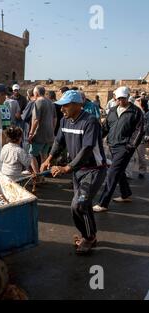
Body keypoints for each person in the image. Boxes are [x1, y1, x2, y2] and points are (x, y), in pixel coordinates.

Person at [41, 90, 107, 255]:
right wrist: (49, 158)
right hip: (78, 171)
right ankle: (90, 234)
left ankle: (88, 238)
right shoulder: (65, 121)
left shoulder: (90, 121)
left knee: (77, 205)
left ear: (78, 105)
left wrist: (67, 168)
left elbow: (87, 149)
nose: (62, 109)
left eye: (66, 106)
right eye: (61, 106)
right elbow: (59, 141)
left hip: (94, 170)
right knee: (84, 205)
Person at [93, 87, 145, 213]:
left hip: (125, 147)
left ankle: (103, 203)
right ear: (115, 98)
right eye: (119, 98)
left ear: (128, 97)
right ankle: (125, 194)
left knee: (112, 173)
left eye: (123, 98)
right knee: (119, 171)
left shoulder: (136, 111)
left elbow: (139, 131)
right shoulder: (112, 110)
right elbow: (105, 127)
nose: (121, 101)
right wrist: (96, 139)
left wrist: (130, 146)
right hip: (112, 145)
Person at [28, 86, 57, 175]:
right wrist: (52, 130)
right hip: (49, 134)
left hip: (40, 134)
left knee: (31, 155)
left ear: (36, 93)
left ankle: (37, 175)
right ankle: (43, 175)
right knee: (44, 155)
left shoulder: (38, 102)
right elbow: (55, 118)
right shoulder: (51, 102)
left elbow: (36, 119)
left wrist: (31, 133)